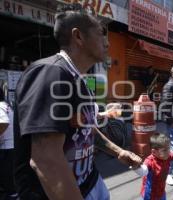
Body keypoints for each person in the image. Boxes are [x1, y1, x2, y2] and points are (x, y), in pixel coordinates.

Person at [13, 4, 142, 200]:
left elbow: (85, 127)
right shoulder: (51, 73)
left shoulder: (79, 79)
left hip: (90, 182)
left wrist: (118, 151)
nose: (107, 43)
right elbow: (46, 161)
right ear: (78, 36)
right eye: (101, 34)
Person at [133, 133, 173, 200]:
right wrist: (135, 166)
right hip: (150, 194)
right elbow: (143, 171)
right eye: (164, 150)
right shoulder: (150, 161)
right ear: (154, 152)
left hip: (161, 192)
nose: (168, 151)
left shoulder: (167, 156)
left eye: (169, 148)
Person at [0, 87, 17, 200]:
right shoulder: (6, 105)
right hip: (12, 145)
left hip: (5, 147)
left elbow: (4, 122)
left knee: (6, 176)